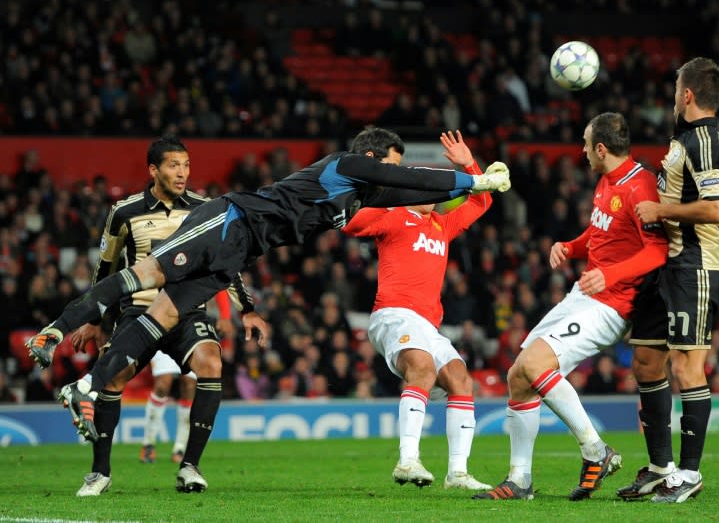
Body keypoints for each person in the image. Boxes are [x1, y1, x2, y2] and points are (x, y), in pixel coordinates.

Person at [26, 127, 511, 440]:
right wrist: (478, 182)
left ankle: (85, 386)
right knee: (144, 276)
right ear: (369, 154)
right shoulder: (344, 165)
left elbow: (418, 187)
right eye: (387, 161)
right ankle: (54, 329)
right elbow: (412, 177)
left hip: (243, 249)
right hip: (228, 220)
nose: (389, 171)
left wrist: (474, 178)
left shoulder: (366, 193)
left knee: (164, 314)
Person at [474, 112, 669, 501]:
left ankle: (597, 451)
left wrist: (610, 277)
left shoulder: (640, 185)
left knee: (534, 365)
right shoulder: (606, 181)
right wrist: (572, 247)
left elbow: (658, 250)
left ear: (601, 148)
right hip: (584, 295)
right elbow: (601, 234)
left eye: (585, 143)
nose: (581, 150)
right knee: (518, 375)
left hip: (610, 305)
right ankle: (520, 480)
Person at [59, 135, 258, 495]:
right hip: (140, 309)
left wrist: (247, 310)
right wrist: (94, 319)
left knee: (211, 364)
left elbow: (227, 263)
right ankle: (99, 472)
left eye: (186, 165)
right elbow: (107, 270)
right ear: (153, 169)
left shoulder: (205, 208)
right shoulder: (125, 212)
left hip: (186, 310)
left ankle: (189, 467)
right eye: (173, 165)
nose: (182, 173)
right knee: (115, 378)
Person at [343, 130, 494, 491]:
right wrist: (381, 196)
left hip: (428, 324)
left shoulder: (441, 225)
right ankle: (407, 460)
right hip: (393, 314)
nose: (435, 194)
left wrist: (468, 164)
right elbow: (351, 223)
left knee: (460, 379)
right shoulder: (394, 217)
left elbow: (482, 202)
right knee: (422, 368)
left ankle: (457, 473)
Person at [619, 57, 719, 503]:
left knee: (686, 365)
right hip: (667, 265)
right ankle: (660, 467)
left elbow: (717, 209)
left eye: (675, 89)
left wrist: (661, 211)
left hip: (695, 265)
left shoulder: (706, 140)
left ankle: (688, 473)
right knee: (646, 359)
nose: (672, 97)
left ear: (687, 94)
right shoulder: (683, 139)